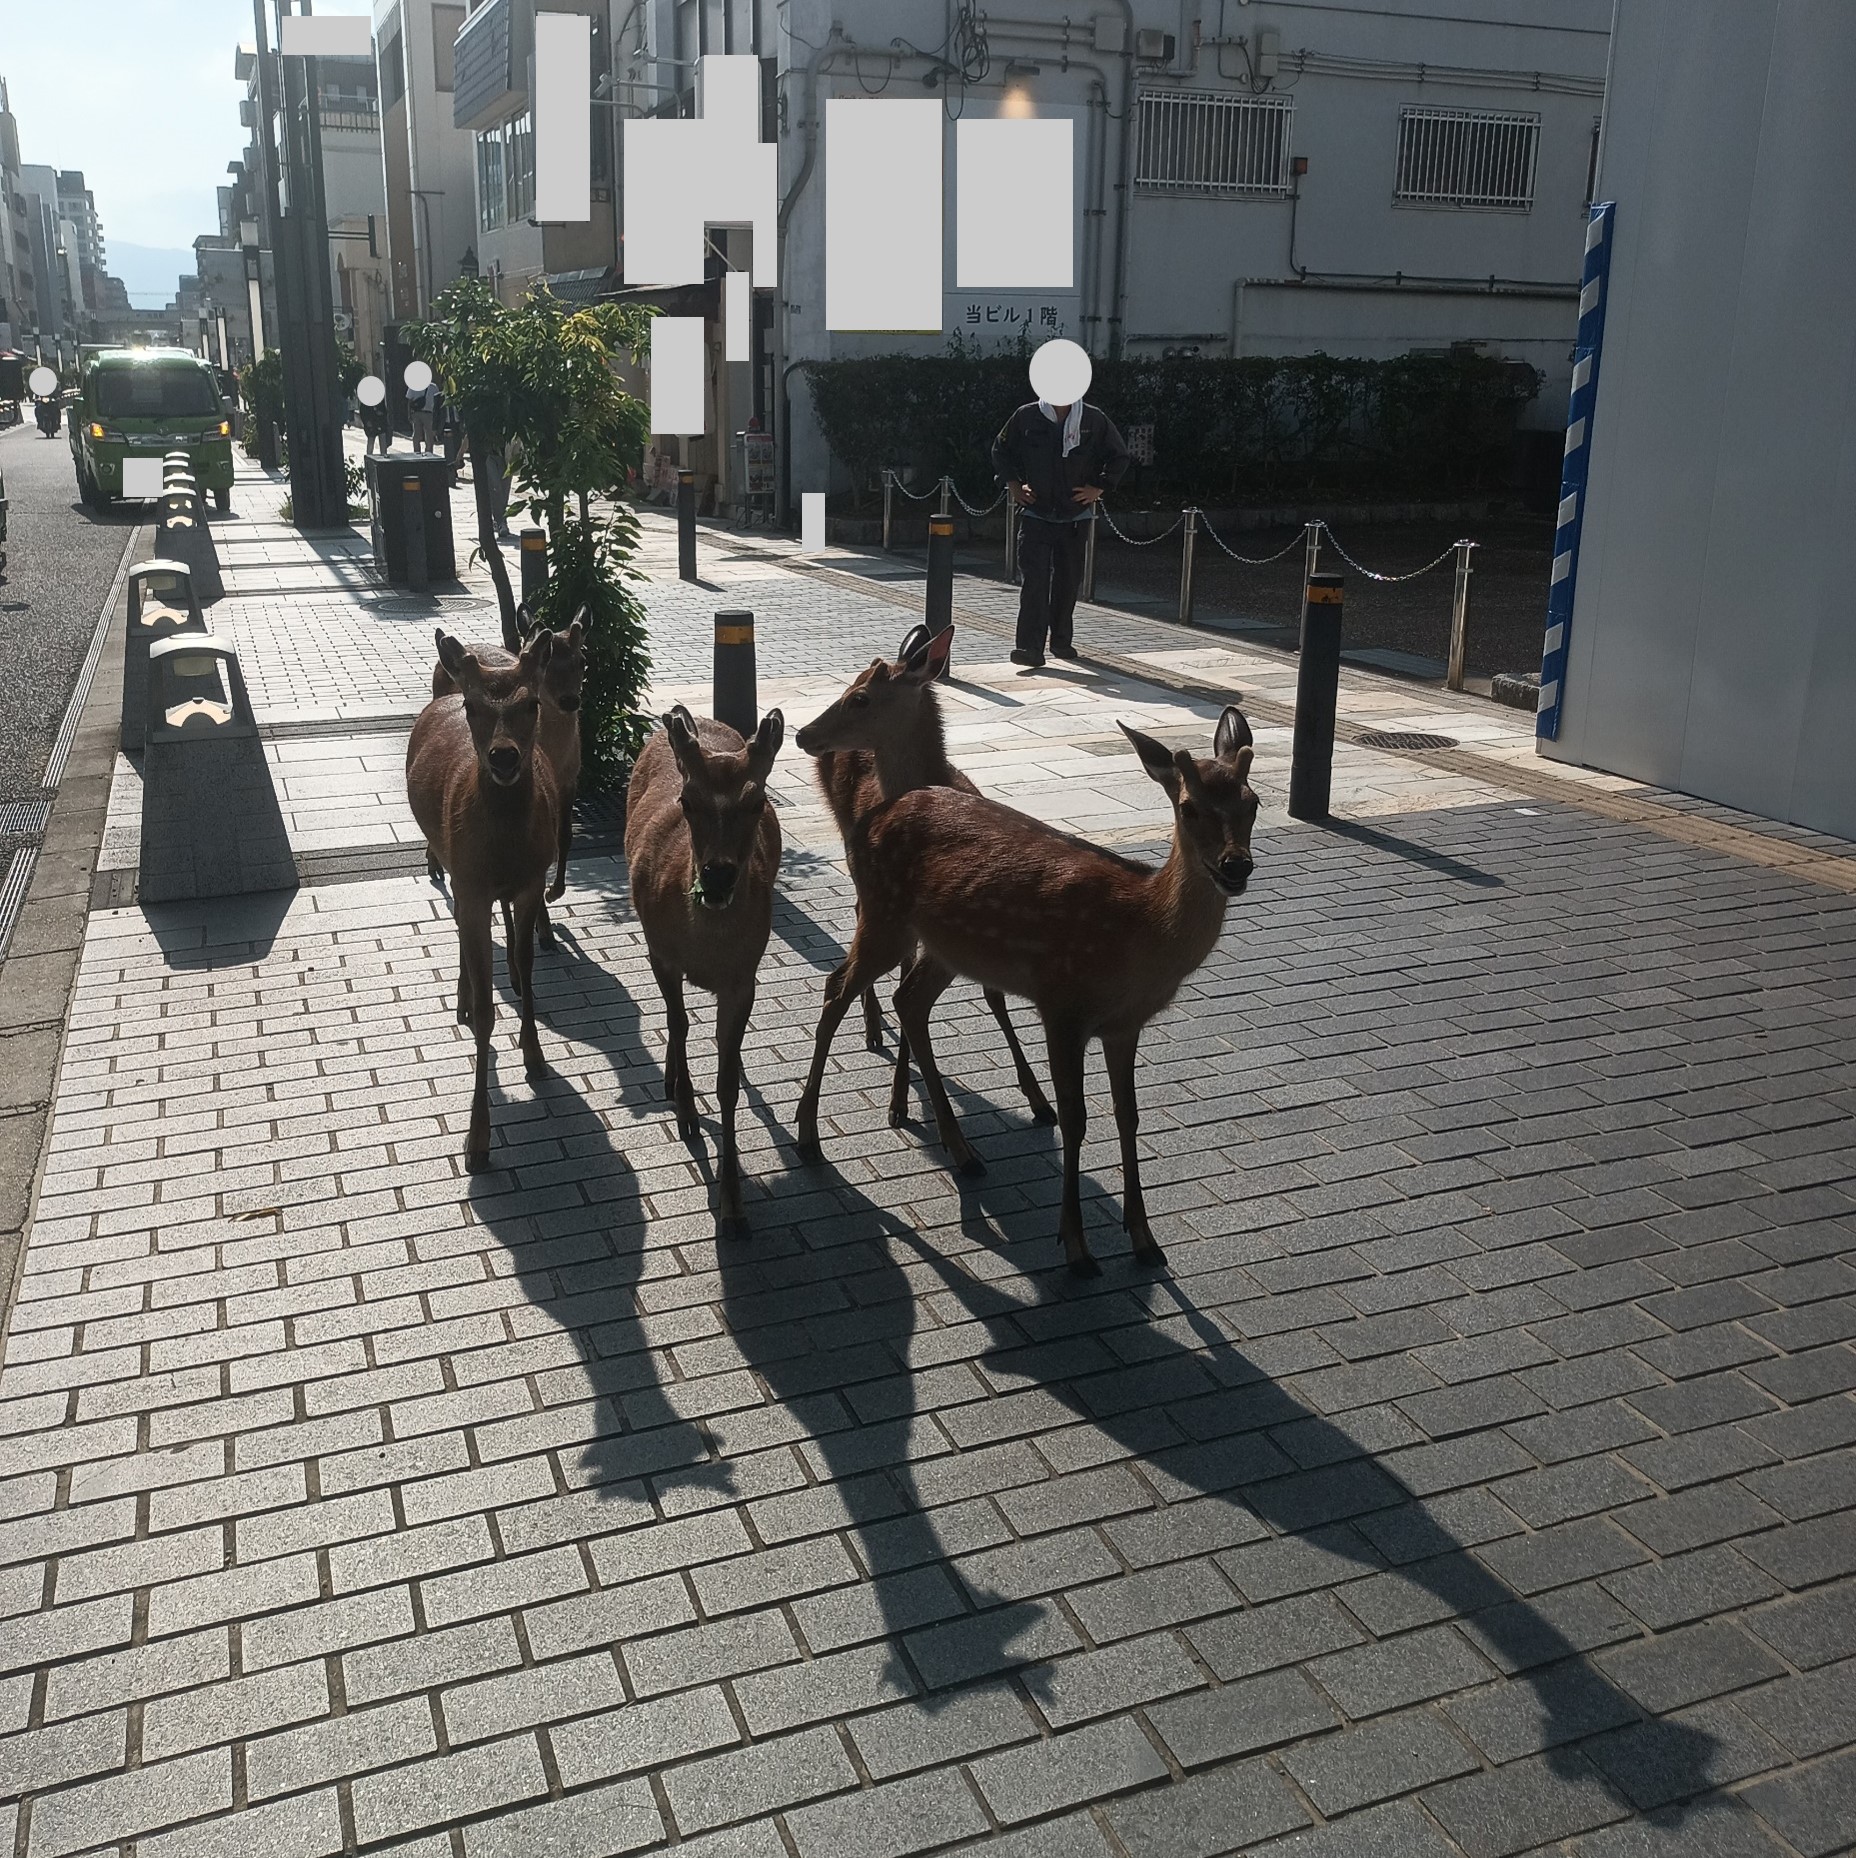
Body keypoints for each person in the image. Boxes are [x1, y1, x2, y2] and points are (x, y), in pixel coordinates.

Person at [991, 348, 1130, 668]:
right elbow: (1000, 450)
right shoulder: (1026, 416)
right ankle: (1029, 648)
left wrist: (1099, 487)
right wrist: (1012, 484)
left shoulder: (1094, 419)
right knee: (1035, 582)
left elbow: (1119, 456)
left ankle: (1061, 641)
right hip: (1036, 513)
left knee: (1067, 582)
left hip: (1074, 516)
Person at [408, 380, 438, 452]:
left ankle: (428, 452)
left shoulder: (433, 387)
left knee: (429, 435)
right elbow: (409, 401)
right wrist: (409, 414)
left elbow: (437, 400)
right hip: (417, 413)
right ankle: (417, 451)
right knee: (417, 434)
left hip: (429, 413)